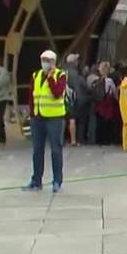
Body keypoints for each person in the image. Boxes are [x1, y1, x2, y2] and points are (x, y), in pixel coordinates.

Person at [24, 50, 68, 193]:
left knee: (56, 149)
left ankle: (57, 181)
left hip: (54, 118)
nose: (45, 63)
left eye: (48, 60)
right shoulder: (35, 75)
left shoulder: (60, 75)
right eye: (43, 60)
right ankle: (36, 180)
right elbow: (32, 95)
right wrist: (31, 113)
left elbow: (57, 93)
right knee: (37, 150)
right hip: (37, 117)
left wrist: (50, 78)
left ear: (54, 62)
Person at [63, 54, 89, 146]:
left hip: (62, 97)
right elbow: (79, 87)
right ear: (74, 62)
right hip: (72, 98)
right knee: (73, 119)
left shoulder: (61, 70)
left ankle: (61, 139)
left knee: (62, 119)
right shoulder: (75, 72)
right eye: (77, 60)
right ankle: (74, 140)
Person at [92, 61, 119, 146]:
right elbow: (114, 92)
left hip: (99, 103)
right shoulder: (109, 80)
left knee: (99, 122)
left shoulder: (96, 79)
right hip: (107, 103)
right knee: (107, 122)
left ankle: (98, 139)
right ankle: (106, 140)